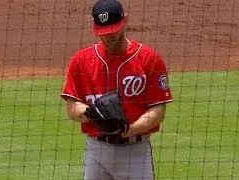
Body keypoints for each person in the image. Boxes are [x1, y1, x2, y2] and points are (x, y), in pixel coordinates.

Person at [60, 0, 173, 179]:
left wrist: (130, 129)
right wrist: (92, 113)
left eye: (113, 31)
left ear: (125, 21)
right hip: (96, 151)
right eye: (103, 33)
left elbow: (158, 111)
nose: (109, 37)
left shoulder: (148, 59)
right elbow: (72, 107)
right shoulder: (81, 60)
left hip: (135, 153)